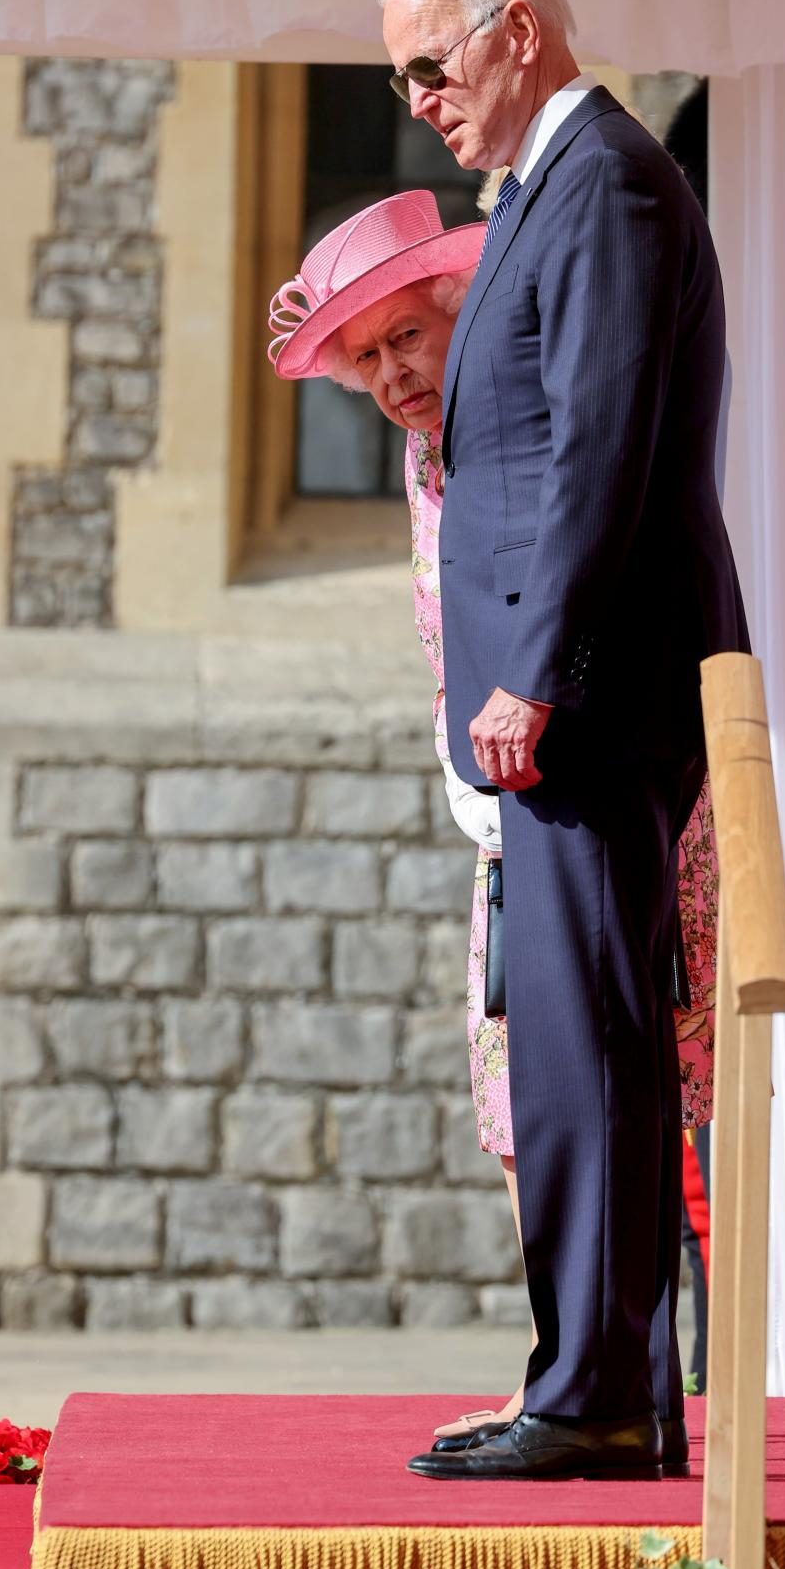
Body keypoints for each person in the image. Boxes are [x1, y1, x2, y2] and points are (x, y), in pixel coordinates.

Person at [267, 186, 722, 1458]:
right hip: (505, 797)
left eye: (406, 337)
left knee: (658, 1089)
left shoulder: (514, 386)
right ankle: (590, 1380)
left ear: (461, 302)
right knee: (530, 1105)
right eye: (364, 361)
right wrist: (335, 321)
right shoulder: (431, 436)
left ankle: (634, 1394)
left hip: (592, 775)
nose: (394, 374)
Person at [375, 0, 748, 1483]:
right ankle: (590, 1379)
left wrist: (534, 666)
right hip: (553, 710)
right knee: (570, 1056)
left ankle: (595, 1393)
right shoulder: (547, 187)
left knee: (594, 1050)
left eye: (428, 65)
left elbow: (599, 441)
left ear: (514, 31)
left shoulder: (600, 180)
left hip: (581, 705)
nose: (417, 103)